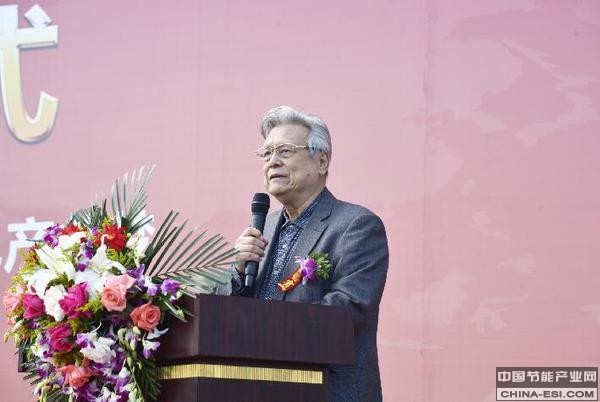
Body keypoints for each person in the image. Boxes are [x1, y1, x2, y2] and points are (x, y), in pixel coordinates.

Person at [232, 105, 389, 402]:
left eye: (285, 151)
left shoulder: (356, 225)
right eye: (266, 154)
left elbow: (346, 310)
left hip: (326, 391)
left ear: (322, 161)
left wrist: (262, 329)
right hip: (257, 388)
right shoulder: (262, 227)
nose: (272, 161)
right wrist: (239, 271)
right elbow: (223, 316)